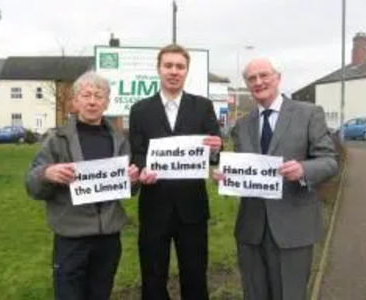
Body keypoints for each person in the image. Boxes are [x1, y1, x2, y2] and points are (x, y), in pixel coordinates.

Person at [214, 58, 338, 300]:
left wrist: (303, 169)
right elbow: (246, 170)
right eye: (252, 78)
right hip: (251, 230)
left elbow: (330, 161)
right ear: (247, 85)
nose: (258, 82)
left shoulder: (309, 114)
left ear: (277, 78)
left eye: (264, 75)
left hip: (293, 228)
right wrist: (227, 178)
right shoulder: (242, 125)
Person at [25, 71, 139, 300]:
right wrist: (47, 173)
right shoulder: (57, 139)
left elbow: (129, 190)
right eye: (86, 95)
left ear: (107, 102)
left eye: (99, 96)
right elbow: (31, 183)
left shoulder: (119, 140)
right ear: (76, 101)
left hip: (108, 237)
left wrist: (132, 180)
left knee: (100, 294)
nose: (92, 101)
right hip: (71, 237)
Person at [129, 44, 222, 300]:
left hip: (192, 208)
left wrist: (216, 149)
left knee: (195, 276)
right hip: (153, 206)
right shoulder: (140, 110)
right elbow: (137, 151)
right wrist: (142, 169)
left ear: (186, 71)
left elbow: (216, 151)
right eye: (168, 65)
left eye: (179, 66)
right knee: (152, 276)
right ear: (158, 69)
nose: (174, 71)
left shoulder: (203, 107)